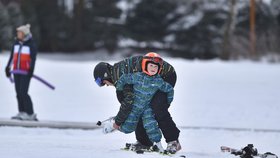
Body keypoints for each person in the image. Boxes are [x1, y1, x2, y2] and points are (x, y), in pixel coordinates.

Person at [94, 52, 181, 154]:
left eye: (103, 82)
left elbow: (128, 103)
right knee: (140, 105)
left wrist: (116, 123)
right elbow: (133, 104)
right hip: (151, 77)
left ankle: (173, 141)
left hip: (166, 76)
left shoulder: (120, 76)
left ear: (106, 75)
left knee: (157, 107)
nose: (106, 85)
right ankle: (145, 142)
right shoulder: (118, 73)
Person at [5, 24, 38, 121]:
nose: (17, 34)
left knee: (24, 92)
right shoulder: (16, 43)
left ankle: (30, 113)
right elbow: (12, 57)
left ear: (24, 34)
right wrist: (7, 68)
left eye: (19, 32)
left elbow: (33, 59)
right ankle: (22, 112)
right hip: (16, 72)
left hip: (25, 73)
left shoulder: (31, 45)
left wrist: (31, 70)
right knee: (18, 93)